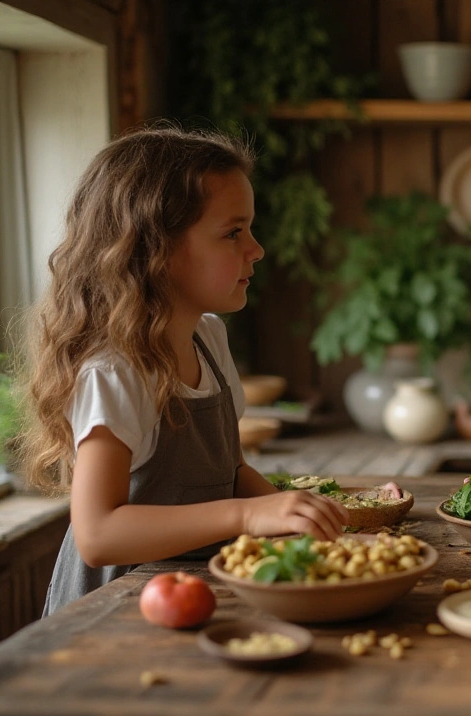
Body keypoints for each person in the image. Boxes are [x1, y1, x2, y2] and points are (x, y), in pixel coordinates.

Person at [20, 126, 351, 615]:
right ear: (157, 250)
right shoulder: (115, 371)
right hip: (113, 614)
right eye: (233, 232)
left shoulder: (209, 339)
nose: (256, 249)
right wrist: (249, 514)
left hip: (194, 595)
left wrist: (309, 520)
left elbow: (231, 473)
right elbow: (98, 534)